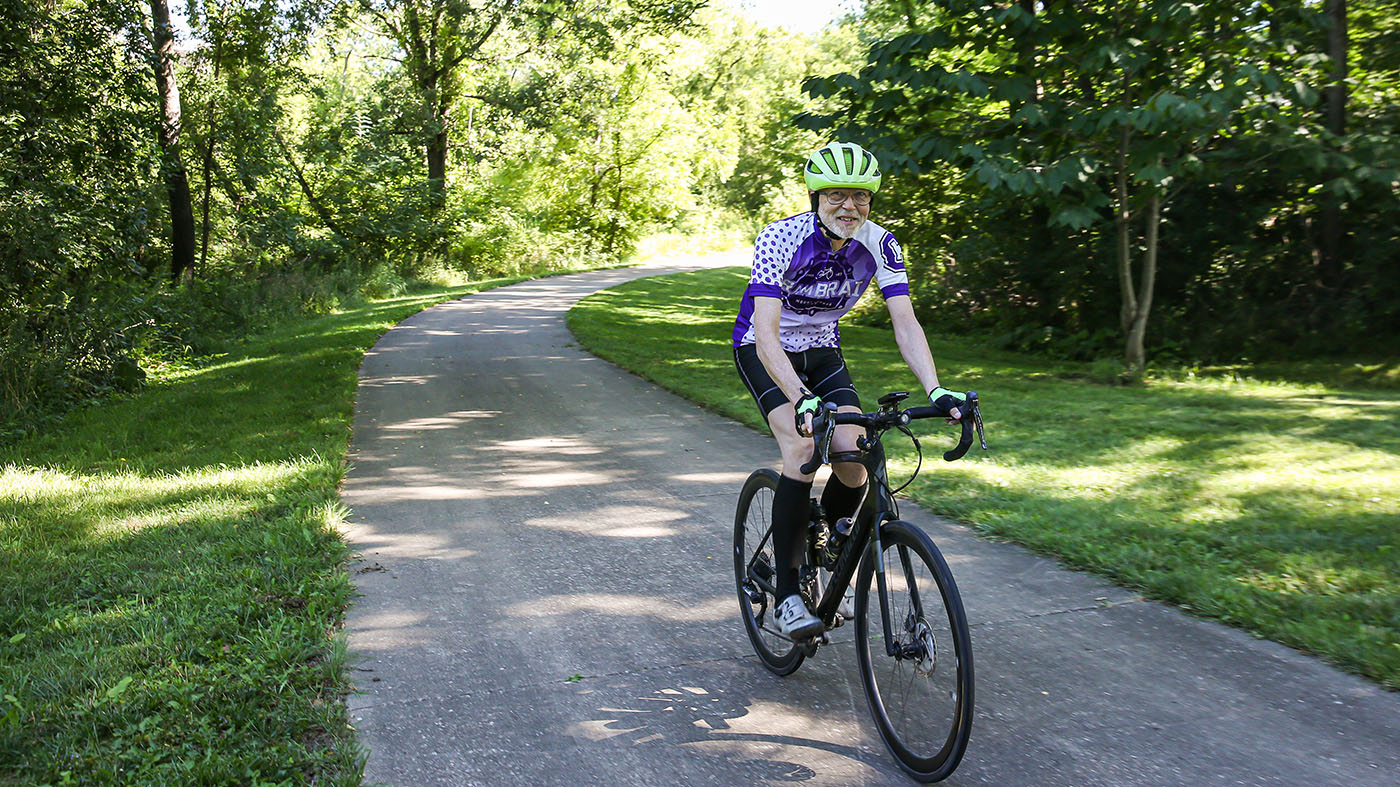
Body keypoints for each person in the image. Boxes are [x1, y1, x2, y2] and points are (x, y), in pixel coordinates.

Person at [732, 141, 966, 640]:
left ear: (871, 201)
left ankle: (828, 542)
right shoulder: (780, 238)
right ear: (815, 197)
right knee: (800, 448)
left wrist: (938, 389)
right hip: (764, 348)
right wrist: (801, 398)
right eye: (836, 195)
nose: (849, 207)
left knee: (855, 457)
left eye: (860, 197)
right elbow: (767, 332)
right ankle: (790, 593)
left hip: (822, 348)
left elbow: (905, 322)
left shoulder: (881, 244)